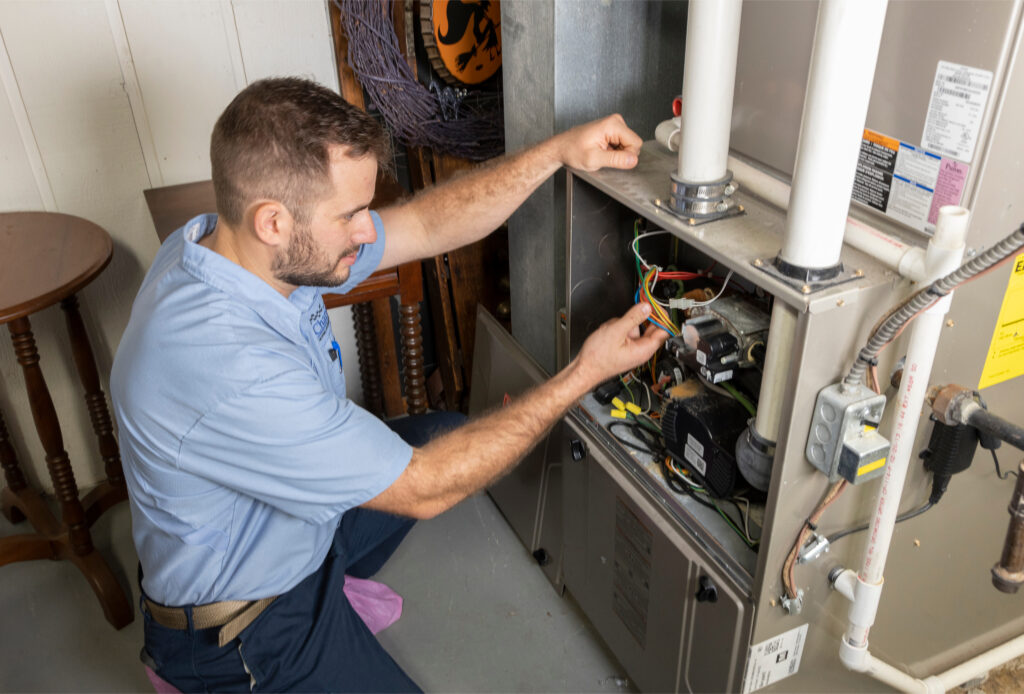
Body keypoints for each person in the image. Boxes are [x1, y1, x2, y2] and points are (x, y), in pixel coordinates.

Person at [110, 76, 665, 693]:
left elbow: (423, 225)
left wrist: (557, 152)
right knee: (432, 467)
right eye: (350, 216)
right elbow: (425, 490)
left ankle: (329, 576)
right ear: (272, 221)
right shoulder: (232, 366)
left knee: (446, 430)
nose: (368, 231)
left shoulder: (215, 244)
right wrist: (583, 374)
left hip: (282, 531)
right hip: (244, 633)